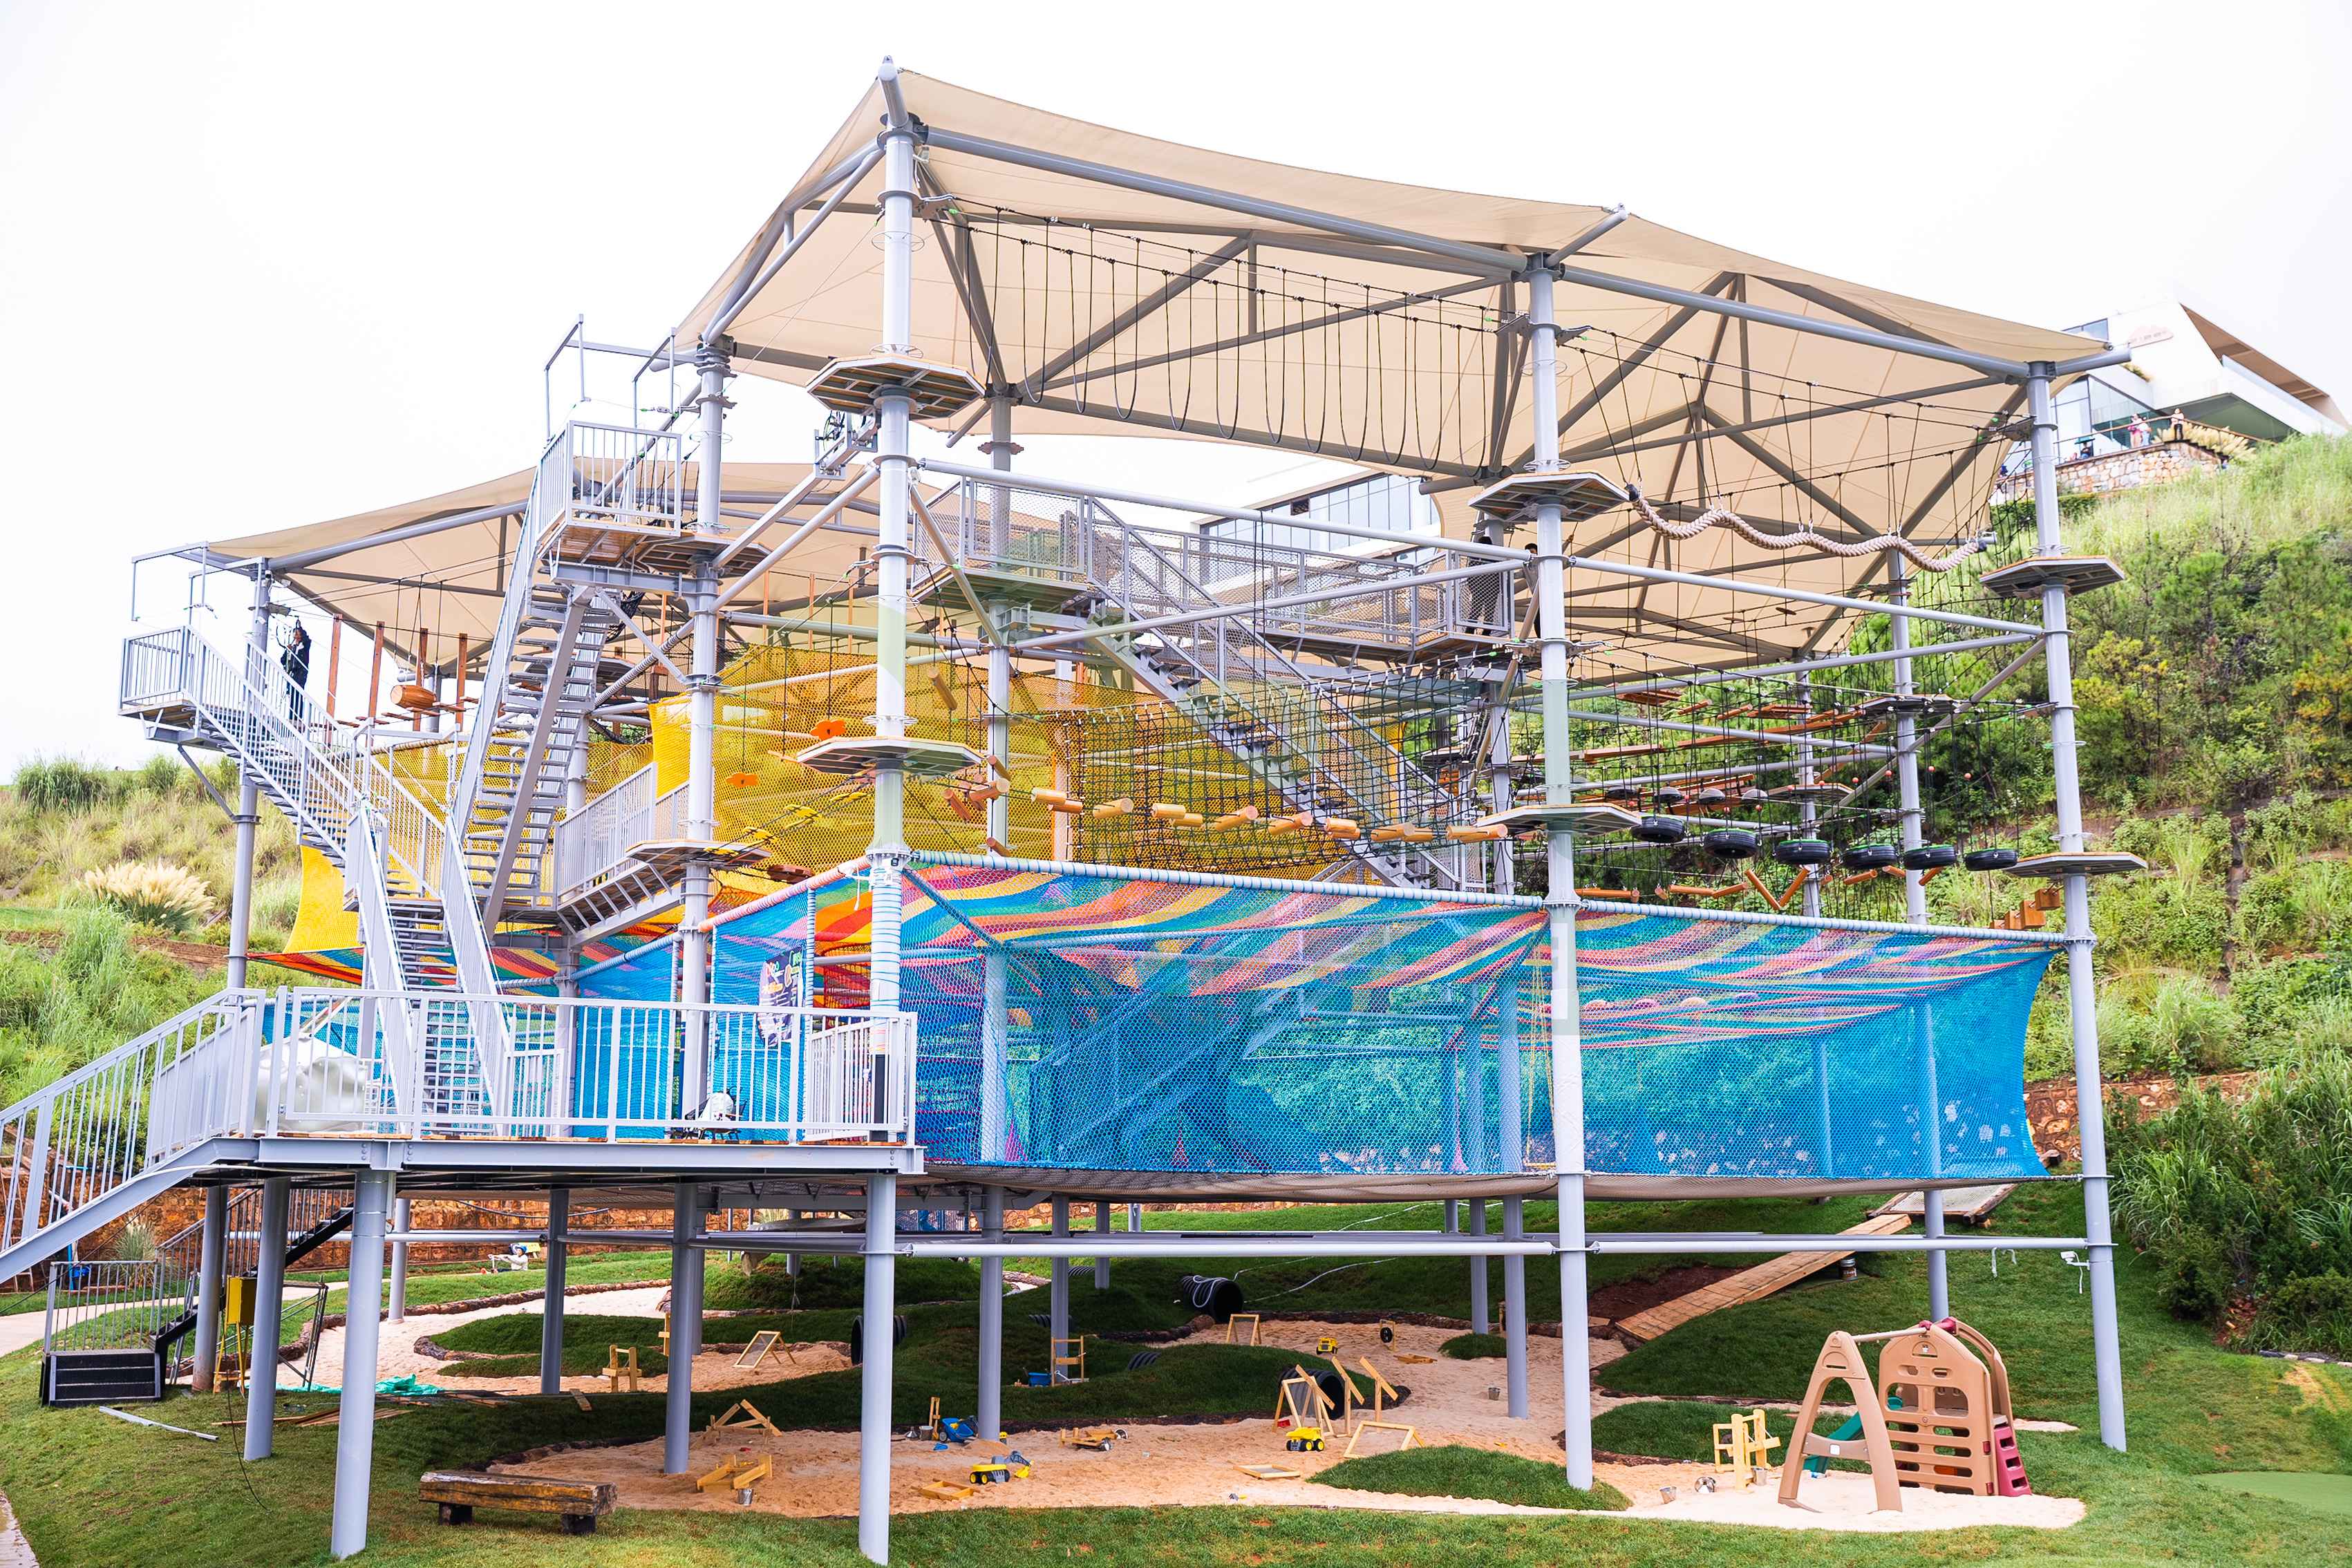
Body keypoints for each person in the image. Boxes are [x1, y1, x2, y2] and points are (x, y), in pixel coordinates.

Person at [281, 621, 312, 711]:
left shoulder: (304, 647)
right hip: (292, 674)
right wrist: (287, 651)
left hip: (301, 674)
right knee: (292, 694)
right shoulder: (293, 647)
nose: (296, 637)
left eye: (298, 635)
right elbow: (283, 660)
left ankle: (298, 714)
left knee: (298, 694)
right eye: (295, 635)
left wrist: (300, 627)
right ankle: (292, 714)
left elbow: (307, 640)